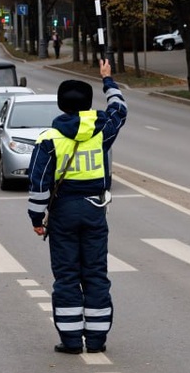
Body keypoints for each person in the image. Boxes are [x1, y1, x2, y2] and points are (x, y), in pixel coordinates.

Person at [27, 59, 128, 354]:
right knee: (95, 274)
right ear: (87, 104)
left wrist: (36, 218)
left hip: (63, 214)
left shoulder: (49, 139)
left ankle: (71, 341)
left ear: (61, 105)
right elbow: (120, 110)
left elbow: (39, 184)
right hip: (95, 210)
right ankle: (96, 340)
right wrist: (107, 80)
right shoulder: (101, 131)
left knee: (67, 276)